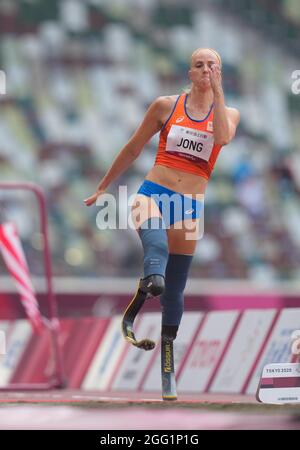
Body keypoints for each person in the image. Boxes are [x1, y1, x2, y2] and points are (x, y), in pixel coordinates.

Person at [84, 48, 240, 398]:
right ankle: (148, 284)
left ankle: (167, 363)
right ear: (189, 71)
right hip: (153, 193)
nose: (205, 70)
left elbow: (223, 139)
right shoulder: (165, 106)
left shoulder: (228, 112)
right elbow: (133, 147)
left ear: (220, 72)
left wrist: (216, 91)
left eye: (212, 65)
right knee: (156, 260)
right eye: (199, 65)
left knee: (174, 290)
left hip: (189, 206)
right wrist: (103, 186)